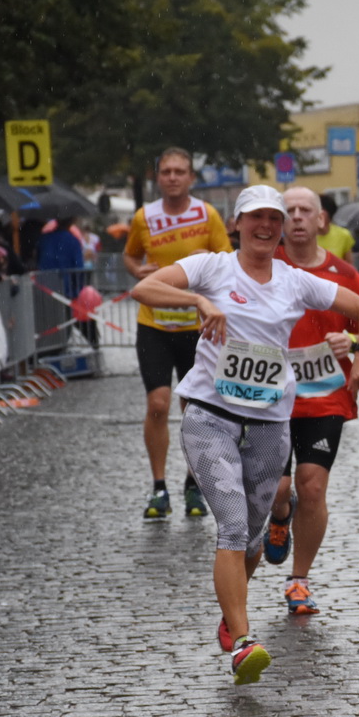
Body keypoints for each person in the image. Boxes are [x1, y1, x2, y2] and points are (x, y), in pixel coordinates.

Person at [131, 185, 359, 685]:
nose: (267, 226)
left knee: (249, 534)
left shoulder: (295, 280)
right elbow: (144, 289)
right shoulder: (212, 266)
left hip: (270, 423)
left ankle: (233, 614)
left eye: (273, 218)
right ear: (238, 222)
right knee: (229, 524)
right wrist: (198, 301)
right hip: (210, 415)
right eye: (256, 218)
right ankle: (244, 643)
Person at [261, 186, 359, 616]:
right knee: (280, 488)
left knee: (311, 486)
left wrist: (357, 347)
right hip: (269, 396)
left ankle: (299, 580)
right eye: (286, 210)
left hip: (325, 396)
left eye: (304, 210)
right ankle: (277, 515)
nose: (295, 217)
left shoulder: (346, 275)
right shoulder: (263, 268)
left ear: (321, 220)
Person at [123, 147, 234, 521]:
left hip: (197, 328)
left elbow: (226, 261)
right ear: (158, 178)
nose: (173, 177)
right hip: (154, 324)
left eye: (180, 171)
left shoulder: (207, 214)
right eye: (166, 171)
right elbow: (130, 256)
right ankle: (159, 487)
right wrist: (138, 271)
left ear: (190, 178)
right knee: (158, 404)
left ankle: (193, 483)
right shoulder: (144, 216)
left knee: (196, 411)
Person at [314, 193, 356, 263]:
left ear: (329, 214)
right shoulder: (306, 237)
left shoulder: (344, 235)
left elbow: (349, 265)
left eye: (321, 212)